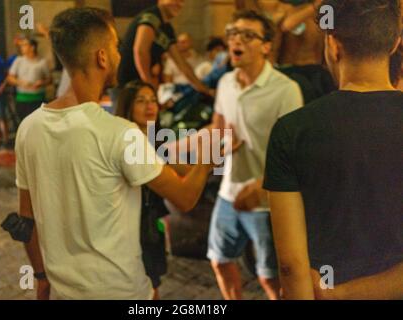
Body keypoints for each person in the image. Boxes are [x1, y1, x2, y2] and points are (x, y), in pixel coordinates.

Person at [15, 7, 217, 300]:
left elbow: (25, 216)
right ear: (101, 57)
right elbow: (185, 198)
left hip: (63, 292)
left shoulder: (28, 127)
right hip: (121, 291)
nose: (120, 56)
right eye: (116, 47)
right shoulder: (120, 133)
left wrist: (41, 277)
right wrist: (206, 160)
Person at [253, 0, 403, 299]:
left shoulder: (291, 130)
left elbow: (292, 267)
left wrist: (336, 294)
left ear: (333, 45)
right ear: (394, 44)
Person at [207, 10, 303, 300]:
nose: (237, 40)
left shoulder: (286, 90)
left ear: (266, 46)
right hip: (227, 194)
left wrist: (262, 184)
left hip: (267, 201)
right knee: (219, 260)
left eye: (248, 35)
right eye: (233, 33)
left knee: (270, 277)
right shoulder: (225, 83)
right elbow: (218, 126)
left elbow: (295, 154)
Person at [116, 80, 196, 300]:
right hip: (126, 225)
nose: (149, 106)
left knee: (152, 283)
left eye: (153, 100)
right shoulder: (124, 141)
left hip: (150, 222)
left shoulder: (156, 140)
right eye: (141, 101)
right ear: (127, 106)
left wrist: (213, 162)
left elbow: (184, 170)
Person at [117, 0, 212, 95]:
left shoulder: (167, 29)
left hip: (139, 87)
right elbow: (140, 51)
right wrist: (149, 86)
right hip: (125, 85)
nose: (178, 4)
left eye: (182, 1)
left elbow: (182, 65)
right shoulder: (151, 17)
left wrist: (205, 90)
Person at [7, 38, 51, 123]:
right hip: (22, 99)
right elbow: (10, 78)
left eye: (24, 45)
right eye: (21, 45)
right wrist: (20, 82)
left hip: (38, 99)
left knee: (38, 125)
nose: (21, 47)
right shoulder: (18, 60)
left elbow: (49, 79)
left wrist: (41, 83)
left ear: (32, 47)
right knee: (24, 124)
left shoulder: (42, 62)